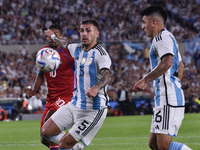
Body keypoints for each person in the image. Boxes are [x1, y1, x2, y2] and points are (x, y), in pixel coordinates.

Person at [42, 19, 112, 150]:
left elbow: (107, 74)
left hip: (93, 109)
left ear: (97, 33)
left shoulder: (100, 54)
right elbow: (65, 43)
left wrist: (96, 87)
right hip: (75, 104)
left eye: (88, 31)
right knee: (46, 132)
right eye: (81, 31)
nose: (84, 34)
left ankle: (71, 145)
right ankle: (75, 147)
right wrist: (51, 36)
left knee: (64, 144)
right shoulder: (77, 49)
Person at [132, 6, 192, 150]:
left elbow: (167, 63)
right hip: (167, 96)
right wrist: (175, 84)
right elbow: (181, 66)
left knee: (163, 146)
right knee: (153, 145)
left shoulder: (161, 37)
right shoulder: (168, 37)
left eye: (144, 22)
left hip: (168, 98)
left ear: (153, 22)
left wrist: (145, 80)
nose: (142, 26)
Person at [26, 24, 76, 150]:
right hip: (51, 99)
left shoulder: (69, 53)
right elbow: (41, 74)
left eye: (54, 35)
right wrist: (33, 90)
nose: (50, 38)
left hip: (67, 97)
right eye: (48, 36)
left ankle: (74, 145)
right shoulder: (44, 52)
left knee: (48, 130)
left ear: (60, 37)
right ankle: (73, 148)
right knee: (44, 139)